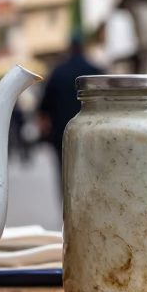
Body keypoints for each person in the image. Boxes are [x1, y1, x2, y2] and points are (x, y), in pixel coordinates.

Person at [37, 34, 103, 202]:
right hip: (92, 132)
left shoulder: (58, 72)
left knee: (65, 172)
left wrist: (45, 126)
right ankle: (90, 205)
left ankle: (68, 208)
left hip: (62, 133)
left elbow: (44, 106)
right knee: (93, 171)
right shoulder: (95, 71)